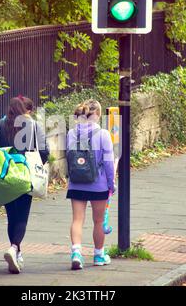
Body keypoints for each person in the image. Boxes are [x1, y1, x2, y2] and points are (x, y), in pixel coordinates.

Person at [0, 95, 49, 274]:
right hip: (25, 176)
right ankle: (15, 248)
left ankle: (16, 252)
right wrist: (36, 163)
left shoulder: (0, 125)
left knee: (12, 215)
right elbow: (44, 151)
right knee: (22, 216)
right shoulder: (33, 125)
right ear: (26, 110)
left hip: (6, 176)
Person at [66, 99, 115, 270]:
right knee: (99, 221)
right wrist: (111, 184)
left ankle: (76, 253)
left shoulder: (71, 134)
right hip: (98, 183)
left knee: (77, 219)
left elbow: (69, 157)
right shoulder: (103, 134)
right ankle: (99, 255)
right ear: (98, 115)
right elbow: (108, 162)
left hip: (76, 182)